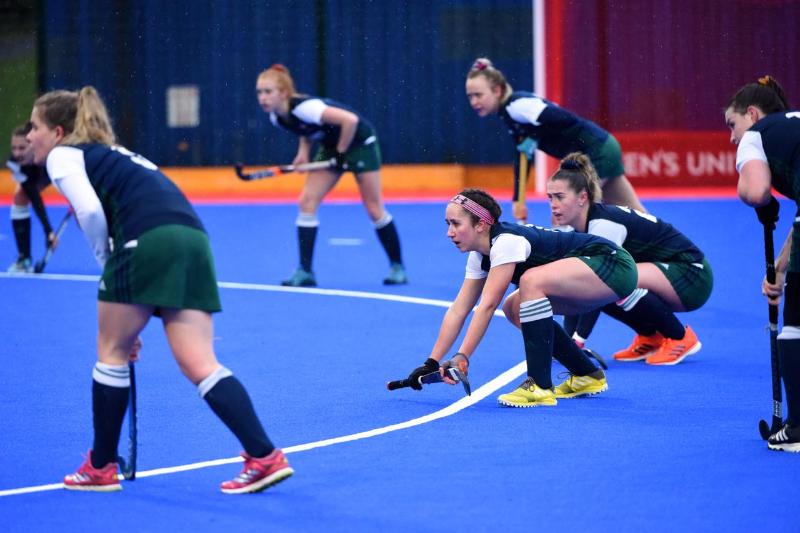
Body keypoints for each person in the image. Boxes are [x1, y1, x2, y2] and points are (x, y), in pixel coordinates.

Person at [27, 86, 294, 492]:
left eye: (34, 127)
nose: (28, 136)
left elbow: (89, 212)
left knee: (111, 351)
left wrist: (111, 272)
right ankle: (265, 456)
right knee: (200, 362)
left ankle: (99, 467)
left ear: (58, 131)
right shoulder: (117, 155)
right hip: (192, 239)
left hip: (145, 242)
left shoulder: (65, 155)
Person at [402, 188, 638, 407]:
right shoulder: (480, 255)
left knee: (530, 282)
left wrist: (463, 355)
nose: (449, 232)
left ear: (481, 225)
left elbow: (486, 306)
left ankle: (539, 385)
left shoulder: (506, 242)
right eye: (447, 223)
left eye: (455, 223)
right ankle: (587, 374)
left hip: (614, 264)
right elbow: (459, 309)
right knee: (513, 307)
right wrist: (431, 362)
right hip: (594, 273)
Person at [505, 152, 712, 366]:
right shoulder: (572, 228)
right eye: (550, 198)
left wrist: (577, 341)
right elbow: (576, 290)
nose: (553, 204)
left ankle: (680, 337)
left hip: (692, 274)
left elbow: (596, 285)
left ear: (582, 197)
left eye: (560, 197)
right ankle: (651, 336)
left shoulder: (604, 224)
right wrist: (568, 339)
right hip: (662, 274)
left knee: (608, 281)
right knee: (595, 282)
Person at [256, 64, 407, 287]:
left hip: (359, 142)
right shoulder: (277, 117)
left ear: (284, 93)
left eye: (268, 92)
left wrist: (341, 153)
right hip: (332, 146)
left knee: (374, 208)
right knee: (307, 202)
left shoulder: (305, 107)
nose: (263, 98)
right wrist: (303, 153)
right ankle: (305, 271)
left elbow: (350, 121)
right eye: (259, 92)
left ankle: (397, 267)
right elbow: (305, 131)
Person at [465, 57, 645, 224]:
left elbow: (565, 118)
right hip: (604, 146)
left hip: (597, 151)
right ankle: (665, 248)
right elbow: (522, 156)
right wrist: (517, 200)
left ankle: (580, 257)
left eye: (478, 95)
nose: (473, 102)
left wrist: (536, 134)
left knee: (565, 214)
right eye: (470, 96)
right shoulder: (510, 115)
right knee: (636, 213)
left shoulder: (517, 106)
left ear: (497, 90)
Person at [726, 75, 800, 452]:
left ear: (752, 114)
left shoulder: (757, 135)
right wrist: (783, 268)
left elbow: (755, 191)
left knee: (795, 324)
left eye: (732, 124)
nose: (732, 137)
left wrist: (763, 200)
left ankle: (796, 428)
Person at [6, 123, 56, 272]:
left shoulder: (53, 157)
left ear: (33, 144)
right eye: (14, 148)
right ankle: (24, 259)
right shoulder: (14, 163)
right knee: (20, 195)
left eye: (22, 148)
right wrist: (49, 231)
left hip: (60, 172)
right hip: (39, 177)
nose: (17, 153)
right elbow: (34, 196)